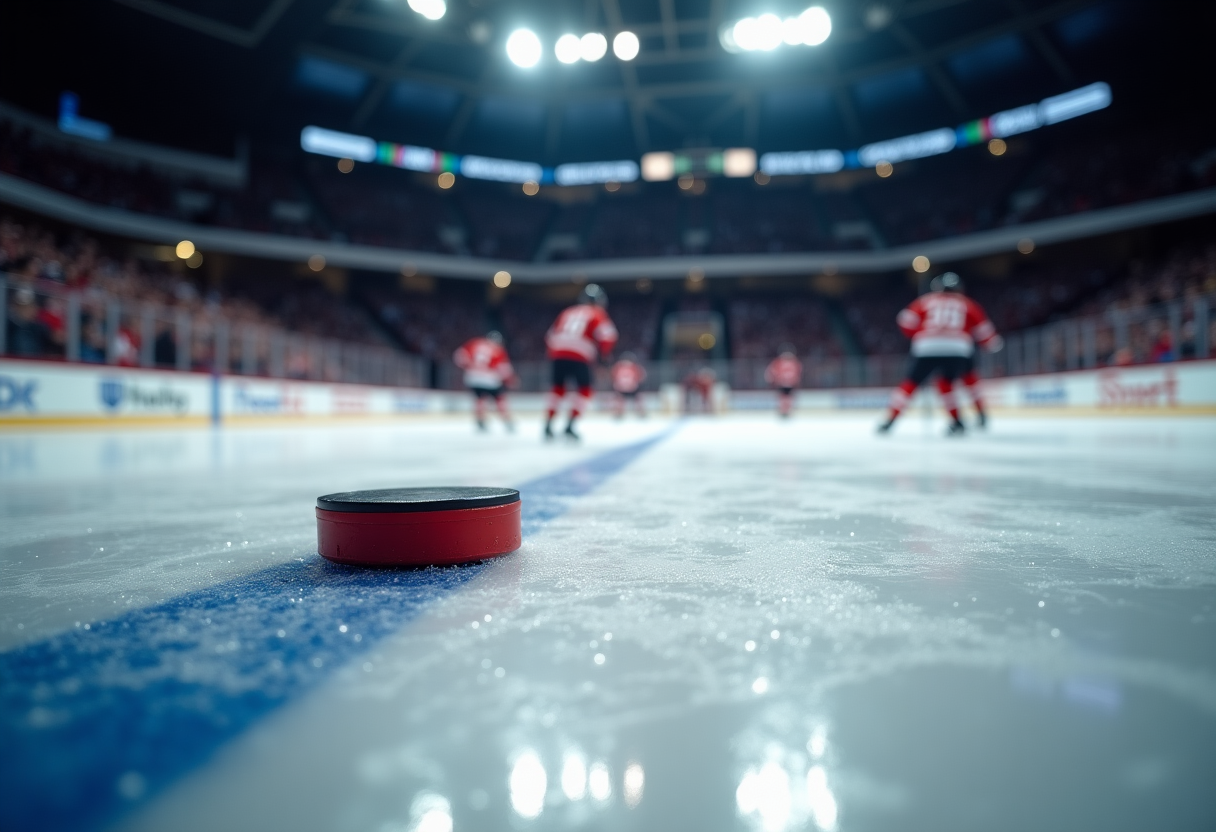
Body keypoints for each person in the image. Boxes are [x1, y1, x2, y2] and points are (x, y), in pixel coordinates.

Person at [878, 272, 1001, 435]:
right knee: (956, 381)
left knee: (910, 383)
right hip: (958, 347)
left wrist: (918, 333)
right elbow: (987, 336)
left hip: (926, 346)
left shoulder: (925, 301)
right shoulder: (967, 304)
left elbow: (904, 320)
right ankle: (976, 416)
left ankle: (889, 421)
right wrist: (992, 345)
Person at [544, 284, 618, 440]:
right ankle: (570, 425)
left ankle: (548, 425)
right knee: (585, 390)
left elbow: (550, 336)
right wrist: (603, 358)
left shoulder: (567, 311)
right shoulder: (597, 313)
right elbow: (608, 336)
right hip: (580, 354)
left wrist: (556, 352)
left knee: (558, 389)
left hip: (557, 352)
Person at [452, 330, 516, 432]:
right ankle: (507, 421)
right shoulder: (498, 349)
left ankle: (480, 420)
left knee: (480, 399)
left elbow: (459, 356)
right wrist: (510, 379)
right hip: (490, 378)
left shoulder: (475, 343)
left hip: (472, 377)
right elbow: (504, 369)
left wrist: (468, 366)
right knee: (499, 399)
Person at [765, 346, 802, 419]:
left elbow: (797, 372)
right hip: (783, 383)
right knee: (784, 397)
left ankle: (786, 410)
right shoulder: (779, 362)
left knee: (787, 397)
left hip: (788, 383)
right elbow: (772, 371)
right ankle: (784, 410)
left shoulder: (793, 362)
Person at [610, 352, 647, 418]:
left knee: (620, 399)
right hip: (632, 387)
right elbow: (641, 376)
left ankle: (619, 413)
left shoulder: (617, 366)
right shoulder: (635, 366)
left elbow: (613, 376)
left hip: (621, 387)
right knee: (637, 398)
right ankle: (640, 412)